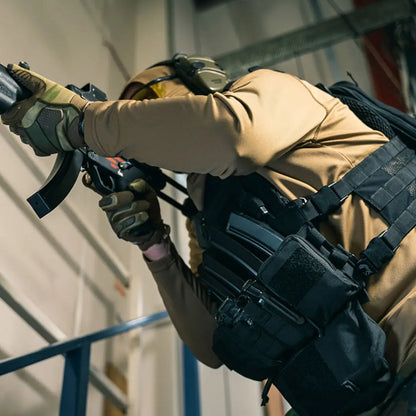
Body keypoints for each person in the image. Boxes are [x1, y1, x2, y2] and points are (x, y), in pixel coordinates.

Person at [2, 55, 416, 415]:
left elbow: (232, 134)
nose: (140, 114)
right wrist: (153, 243)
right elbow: (211, 344)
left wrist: (84, 121)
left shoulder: (273, 91)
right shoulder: (210, 222)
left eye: (148, 100)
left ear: (201, 79)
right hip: (365, 390)